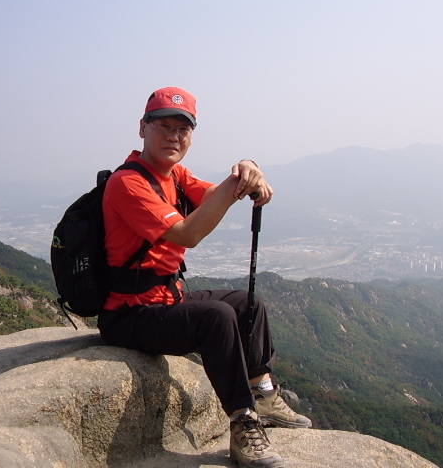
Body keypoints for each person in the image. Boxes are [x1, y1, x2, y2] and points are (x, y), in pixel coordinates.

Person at [98, 86, 311, 468]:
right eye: (163, 126)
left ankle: (263, 394)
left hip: (166, 299)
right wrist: (240, 179)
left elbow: (216, 194)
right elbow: (188, 234)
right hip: (129, 314)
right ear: (143, 128)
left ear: (192, 136)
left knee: (247, 304)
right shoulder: (128, 183)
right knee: (217, 317)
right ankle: (243, 423)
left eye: (182, 129)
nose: (173, 136)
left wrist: (246, 171)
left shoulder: (174, 176)